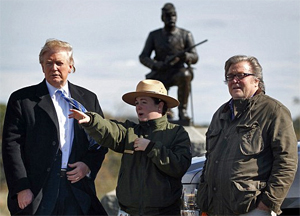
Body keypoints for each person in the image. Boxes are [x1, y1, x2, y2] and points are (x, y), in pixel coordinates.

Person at [2, 39, 108, 215]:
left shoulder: (88, 99)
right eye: (48, 63)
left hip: (78, 189)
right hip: (37, 192)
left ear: (71, 66)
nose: (54, 68)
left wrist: (87, 165)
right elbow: (11, 147)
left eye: (59, 63)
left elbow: (101, 140)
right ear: (42, 67)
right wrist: (21, 187)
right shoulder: (22, 100)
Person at [69, 79, 192, 215]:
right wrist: (91, 120)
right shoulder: (130, 131)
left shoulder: (176, 133)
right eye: (137, 103)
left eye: (143, 102)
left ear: (160, 106)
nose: (138, 107)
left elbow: (179, 166)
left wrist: (151, 148)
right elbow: (110, 129)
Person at [197, 55, 298, 216]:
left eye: (241, 75)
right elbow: (210, 158)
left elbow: (287, 161)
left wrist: (267, 204)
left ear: (256, 81)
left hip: (251, 209)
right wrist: (204, 197)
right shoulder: (220, 114)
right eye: (230, 76)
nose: (235, 80)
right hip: (215, 208)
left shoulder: (274, 111)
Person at [139, 3, 198, 122]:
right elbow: (143, 56)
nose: (171, 18)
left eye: (174, 15)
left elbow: (195, 56)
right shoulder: (154, 35)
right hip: (161, 71)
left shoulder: (186, 34)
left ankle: (183, 111)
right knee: (155, 84)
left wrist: (186, 56)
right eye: (168, 16)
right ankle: (166, 112)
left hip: (178, 71)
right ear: (162, 18)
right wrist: (156, 65)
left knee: (185, 75)